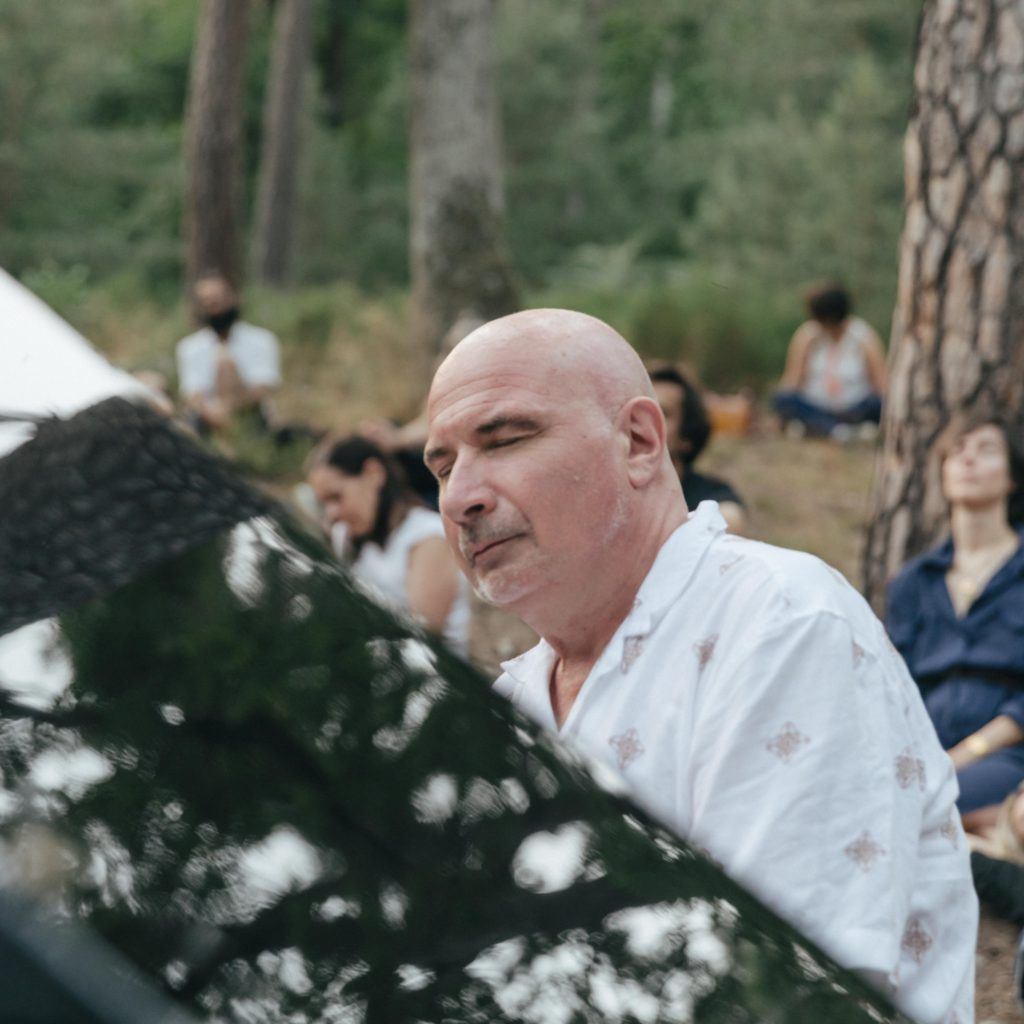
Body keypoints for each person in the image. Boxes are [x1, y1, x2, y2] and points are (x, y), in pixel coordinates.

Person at [424, 308, 975, 1024]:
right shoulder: (513, 699)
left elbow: (777, 996)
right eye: (442, 467)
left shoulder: (780, 626)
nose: (459, 498)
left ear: (639, 442)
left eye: (504, 441)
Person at [885, 415, 1024, 825]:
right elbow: (891, 683)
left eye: (986, 450)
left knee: (919, 808)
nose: (968, 460)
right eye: (957, 451)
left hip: (1007, 753)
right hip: (920, 751)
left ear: (1013, 477)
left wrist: (960, 756)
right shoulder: (914, 580)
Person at [308, 436, 470, 654]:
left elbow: (422, 636)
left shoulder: (427, 538)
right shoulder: (345, 536)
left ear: (373, 474)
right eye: (324, 503)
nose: (332, 513)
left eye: (336, 497)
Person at [773, 282, 887, 440]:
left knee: (878, 403)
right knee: (782, 399)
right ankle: (840, 430)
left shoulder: (863, 336)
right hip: (816, 405)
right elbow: (792, 381)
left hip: (855, 407)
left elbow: (881, 383)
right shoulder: (807, 335)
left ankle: (822, 428)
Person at [176, 273, 282, 434]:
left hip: (251, 417)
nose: (214, 307)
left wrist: (230, 407)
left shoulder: (262, 340)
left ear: (234, 298)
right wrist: (214, 413)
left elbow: (263, 388)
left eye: (218, 300)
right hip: (208, 420)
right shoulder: (189, 347)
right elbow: (193, 395)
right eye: (207, 302)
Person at [649, 363, 746, 534]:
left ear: (686, 437)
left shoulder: (712, 497)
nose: (642, 420)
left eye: (662, 413)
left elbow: (729, 520)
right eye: (636, 409)